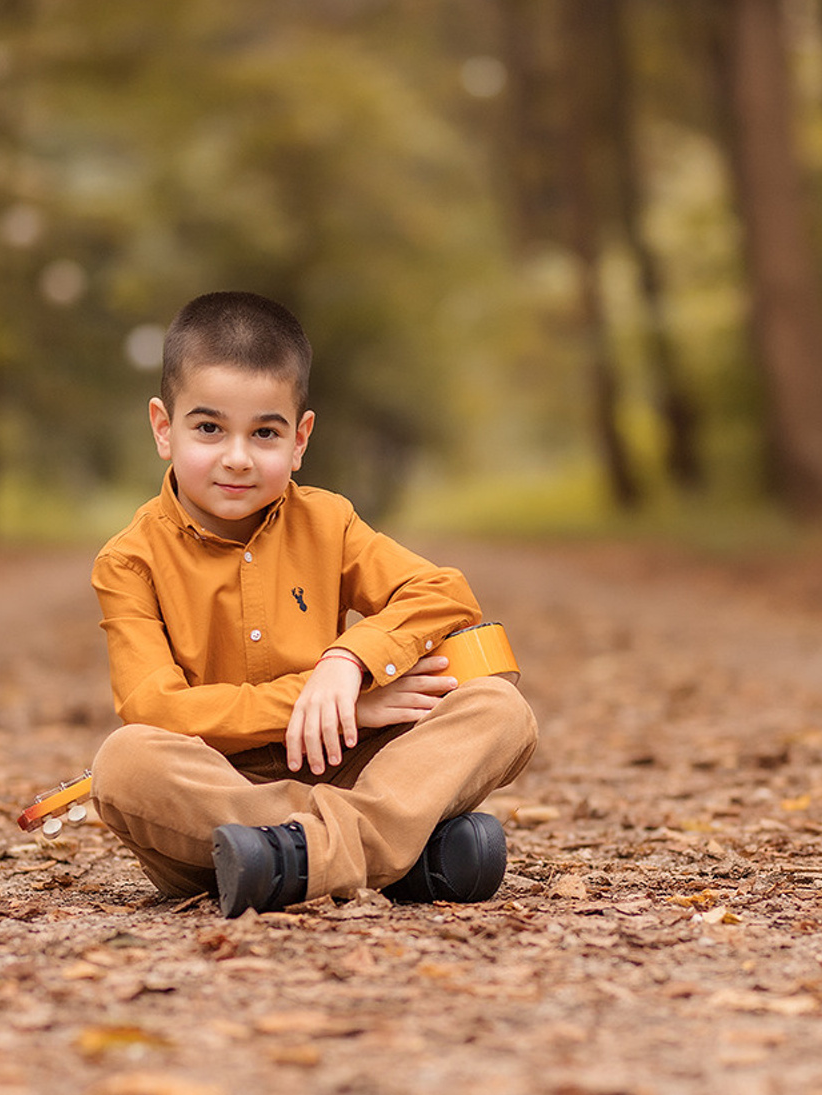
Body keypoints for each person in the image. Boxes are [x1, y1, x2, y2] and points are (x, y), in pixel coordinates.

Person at [89, 291, 538, 918]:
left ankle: (289, 864)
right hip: (220, 791)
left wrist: (348, 663)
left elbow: (443, 594)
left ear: (299, 440)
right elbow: (156, 708)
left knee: (498, 706)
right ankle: (398, 852)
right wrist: (319, 699)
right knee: (126, 763)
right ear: (165, 428)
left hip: (344, 763)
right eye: (209, 427)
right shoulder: (129, 561)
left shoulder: (329, 522)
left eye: (265, 433)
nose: (237, 457)